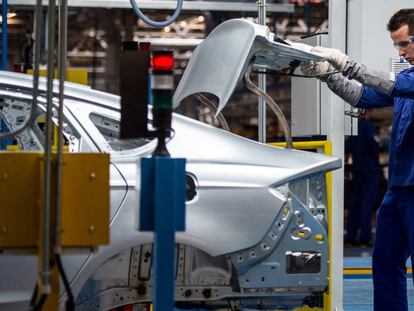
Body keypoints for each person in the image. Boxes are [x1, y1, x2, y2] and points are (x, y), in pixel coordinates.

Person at [301, 8, 414, 311]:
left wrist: (348, 64)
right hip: (399, 189)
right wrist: (329, 75)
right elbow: (364, 96)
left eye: (405, 44)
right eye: (396, 46)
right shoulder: (406, 78)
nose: (401, 53)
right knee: (385, 262)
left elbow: (394, 86)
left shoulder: (406, 82)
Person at [345, 110, 380, 247]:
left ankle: (351, 237)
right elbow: (374, 144)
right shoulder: (368, 127)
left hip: (357, 170)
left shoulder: (354, 129)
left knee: (355, 205)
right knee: (367, 205)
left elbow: (348, 147)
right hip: (370, 171)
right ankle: (365, 238)